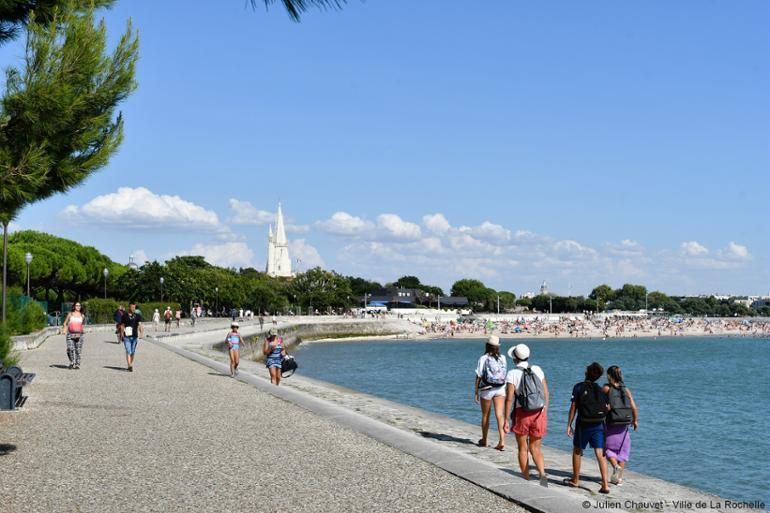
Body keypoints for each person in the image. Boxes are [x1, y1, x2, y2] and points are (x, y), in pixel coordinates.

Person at [503, 344, 549, 486]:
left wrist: (505, 419)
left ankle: (526, 479)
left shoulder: (512, 374)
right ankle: (542, 476)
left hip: (522, 414)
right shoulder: (537, 369)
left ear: (515, 358)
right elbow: (546, 392)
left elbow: (509, 398)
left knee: (522, 448)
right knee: (536, 448)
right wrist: (544, 411)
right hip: (538, 413)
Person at [566, 362, 610, 493]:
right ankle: (605, 485)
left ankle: (575, 480)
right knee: (600, 453)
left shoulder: (578, 387)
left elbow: (573, 407)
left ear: (587, 373)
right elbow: (607, 407)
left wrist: (569, 424)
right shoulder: (600, 389)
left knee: (577, 450)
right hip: (598, 424)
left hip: (583, 424)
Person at [603, 365, 639, 486]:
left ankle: (615, 466)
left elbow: (602, 406)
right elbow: (634, 407)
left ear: (609, 375)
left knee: (607, 449)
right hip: (624, 425)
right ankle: (618, 479)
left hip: (611, 424)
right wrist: (635, 421)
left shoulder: (606, 388)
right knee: (622, 452)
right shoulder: (626, 389)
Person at [474, 335, 507, 450]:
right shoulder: (502, 357)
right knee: (499, 415)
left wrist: (476, 392)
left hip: (487, 389)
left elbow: (478, 375)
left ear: (487, 345)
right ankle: (502, 440)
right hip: (500, 388)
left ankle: (484, 439)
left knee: (485, 415)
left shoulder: (483, 358)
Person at [119, 302, 144, 372]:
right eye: (132, 307)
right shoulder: (124, 316)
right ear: (129, 308)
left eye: (134, 307)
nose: (133, 309)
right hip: (127, 336)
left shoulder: (137, 316)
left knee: (132, 352)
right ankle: (130, 365)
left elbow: (140, 325)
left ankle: (129, 364)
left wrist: (141, 333)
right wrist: (121, 334)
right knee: (128, 351)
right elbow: (122, 326)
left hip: (134, 336)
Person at [61, 302, 85, 369]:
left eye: (79, 306)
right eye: (77, 305)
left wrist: (82, 330)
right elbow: (65, 323)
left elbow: (82, 324)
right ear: (74, 306)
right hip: (70, 334)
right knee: (70, 349)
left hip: (79, 335)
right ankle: (72, 362)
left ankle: (77, 364)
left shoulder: (82, 315)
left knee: (78, 350)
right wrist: (65, 329)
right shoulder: (70, 314)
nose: (78, 307)